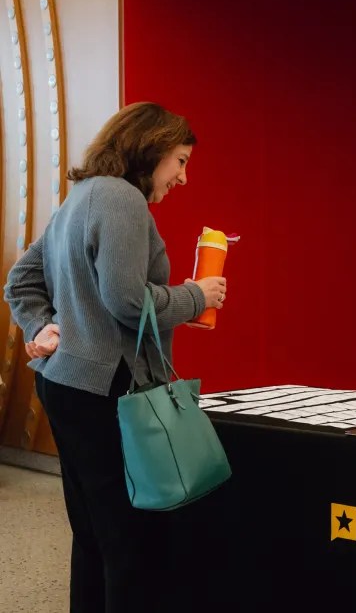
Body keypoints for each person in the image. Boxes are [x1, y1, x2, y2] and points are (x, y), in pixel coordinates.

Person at [4, 102, 227, 613]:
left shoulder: (82, 195)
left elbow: (20, 280)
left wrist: (41, 326)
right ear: (151, 148)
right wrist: (195, 296)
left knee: (93, 535)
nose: (183, 177)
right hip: (107, 390)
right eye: (180, 161)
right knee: (129, 541)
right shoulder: (123, 199)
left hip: (65, 383)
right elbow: (127, 301)